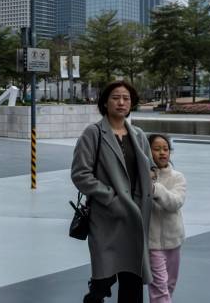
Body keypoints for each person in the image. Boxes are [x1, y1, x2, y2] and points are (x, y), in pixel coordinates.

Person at [71, 80, 154, 303]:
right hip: (107, 218)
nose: (121, 102)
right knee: (102, 280)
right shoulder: (93, 133)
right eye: (115, 97)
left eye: (126, 99)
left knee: (133, 281)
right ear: (105, 103)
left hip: (135, 217)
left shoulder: (138, 135)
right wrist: (111, 198)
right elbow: (80, 174)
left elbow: (148, 169)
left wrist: (151, 181)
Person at [147, 133, 187, 303]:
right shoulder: (142, 178)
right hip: (152, 244)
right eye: (156, 149)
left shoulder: (178, 177)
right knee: (159, 287)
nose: (162, 153)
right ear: (147, 152)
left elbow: (175, 203)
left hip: (174, 241)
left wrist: (155, 188)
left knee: (169, 285)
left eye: (165, 149)